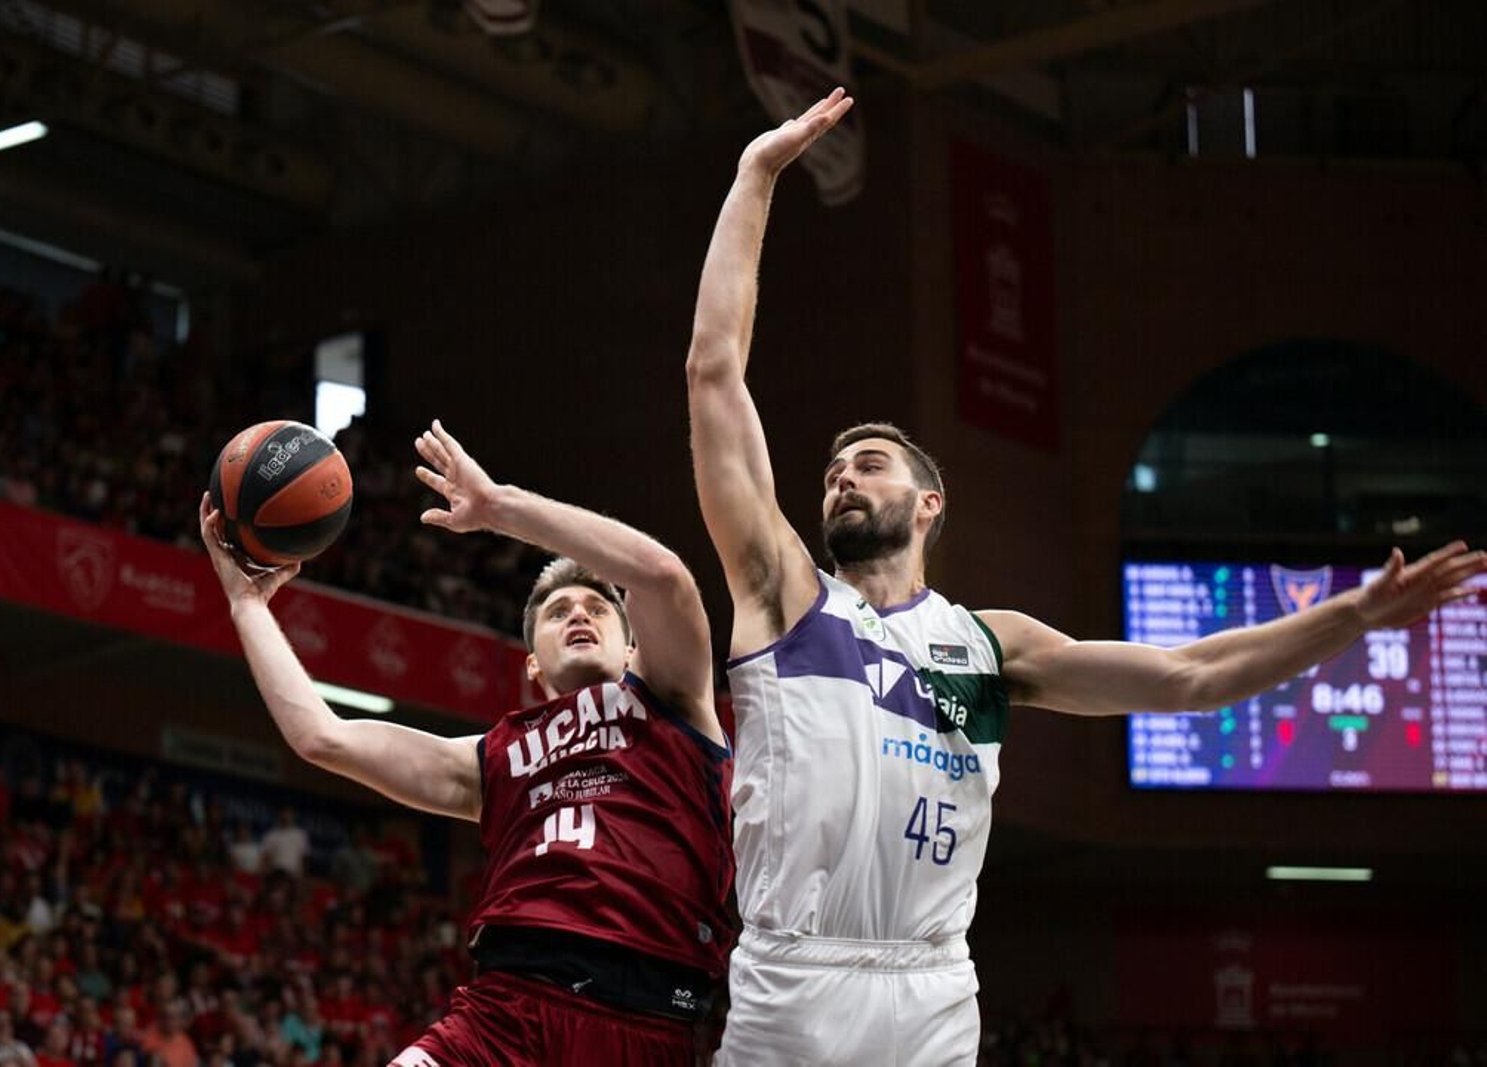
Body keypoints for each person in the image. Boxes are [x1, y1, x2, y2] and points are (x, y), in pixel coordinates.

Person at [684, 88, 1487, 1066]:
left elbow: (1193, 676)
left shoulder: (993, 643)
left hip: (934, 987)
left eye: (871, 463)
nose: (843, 476)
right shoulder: (785, 596)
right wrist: (755, 175)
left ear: (930, 503)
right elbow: (714, 374)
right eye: (831, 472)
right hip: (796, 977)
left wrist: (1351, 616)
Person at [198, 419, 733, 1067]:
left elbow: (663, 576)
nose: (579, 614)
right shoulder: (495, 756)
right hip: (501, 1014)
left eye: (596, 606)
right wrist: (246, 603)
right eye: (558, 611)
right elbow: (322, 737)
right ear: (532, 662)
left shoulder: (673, 704)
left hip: (645, 1021)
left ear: (634, 648)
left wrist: (498, 505)